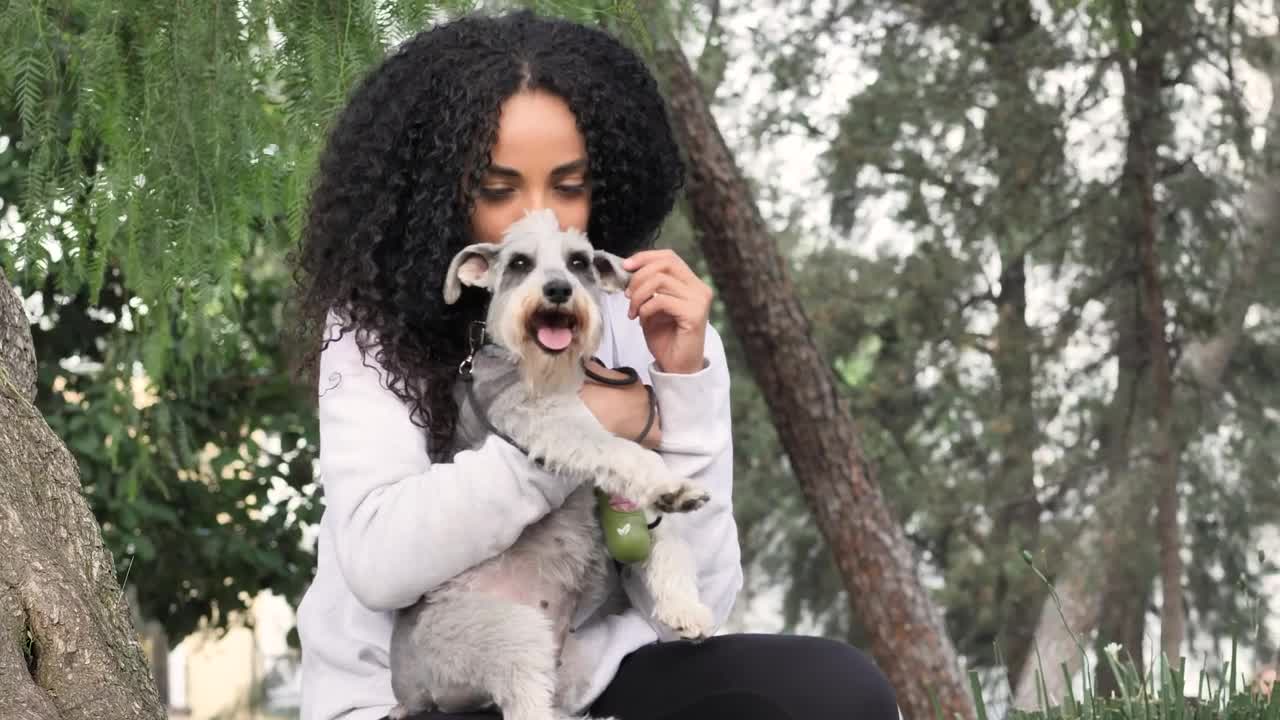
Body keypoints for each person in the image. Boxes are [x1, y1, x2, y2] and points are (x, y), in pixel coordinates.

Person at [288, 8, 899, 720]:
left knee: (834, 692)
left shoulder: (642, 324)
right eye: (498, 189)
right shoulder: (371, 329)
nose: (540, 213)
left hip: (581, 677)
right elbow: (378, 561)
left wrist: (686, 383)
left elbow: (699, 596)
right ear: (440, 193)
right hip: (408, 695)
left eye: (568, 186)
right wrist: (569, 446)